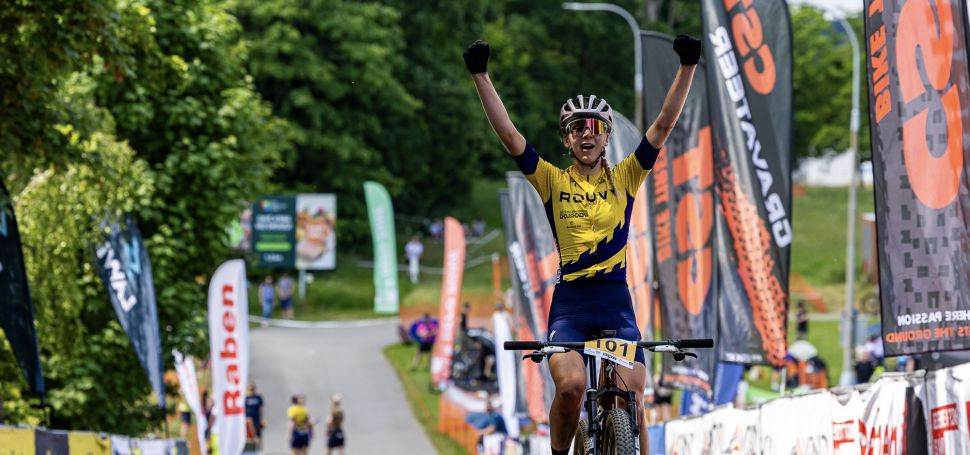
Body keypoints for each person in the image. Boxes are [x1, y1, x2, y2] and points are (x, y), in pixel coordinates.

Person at [464, 33, 700, 454]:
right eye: (577, 128)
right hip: (571, 307)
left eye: (595, 128)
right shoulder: (552, 181)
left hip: (615, 305)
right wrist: (481, 75)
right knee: (571, 387)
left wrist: (687, 66)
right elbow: (510, 135)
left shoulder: (626, 176)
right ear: (566, 139)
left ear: (606, 137)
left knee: (634, 396)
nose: (586, 135)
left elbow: (662, 126)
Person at [245, 383, 265, 448]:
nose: (251, 391)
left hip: (256, 418)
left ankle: (259, 447)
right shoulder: (245, 398)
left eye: (252, 389)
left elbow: (261, 408)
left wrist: (261, 419)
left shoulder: (258, 397)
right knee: (249, 434)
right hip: (248, 419)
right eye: (250, 389)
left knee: (258, 434)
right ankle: (250, 448)